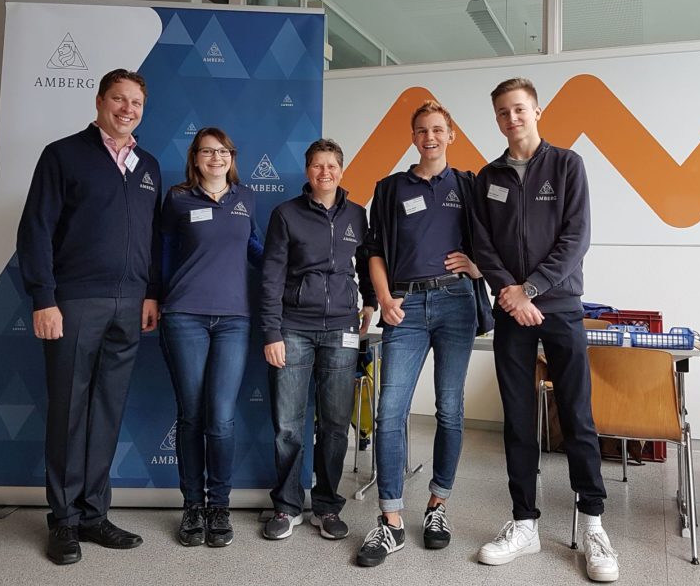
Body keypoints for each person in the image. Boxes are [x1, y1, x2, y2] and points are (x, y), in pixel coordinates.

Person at [471, 77, 618, 582]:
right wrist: (510, 294)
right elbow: (481, 243)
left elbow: (577, 237)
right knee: (517, 420)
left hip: (560, 307)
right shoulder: (487, 176)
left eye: (519, 110)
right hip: (511, 312)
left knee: (576, 415)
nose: (512, 119)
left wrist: (529, 288)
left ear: (537, 111)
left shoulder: (567, 165)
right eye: (503, 113)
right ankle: (523, 522)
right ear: (497, 119)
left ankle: (594, 524)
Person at [17, 69, 161, 566]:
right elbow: (35, 230)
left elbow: (152, 240)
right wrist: (43, 297)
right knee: (68, 412)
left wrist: (150, 294)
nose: (127, 108)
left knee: (106, 411)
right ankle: (62, 520)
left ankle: (94, 513)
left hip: (130, 304)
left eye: (136, 101)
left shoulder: (149, 166)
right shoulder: (63, 155)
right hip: (74, 302)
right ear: (100, 101)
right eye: (119, 99)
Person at [356, 101, 490, 567]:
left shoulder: (469, 186)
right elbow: (372, 252)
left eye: (437, 130)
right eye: (421, 131)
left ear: (451, 134)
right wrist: (384, 299)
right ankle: (390, 520)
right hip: (405, 307)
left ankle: (438, 506)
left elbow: (494, 239)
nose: (429, 137)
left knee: (449, 408)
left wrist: (478, 267)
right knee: (390, 410)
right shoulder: (391, 188)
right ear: (413, 138)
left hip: (456, 303)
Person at [261, 138, 376, 541]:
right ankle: (287, 506)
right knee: (289, 425)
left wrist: (371, 303)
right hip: (293, 327)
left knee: (333, 423)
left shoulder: (357, 216)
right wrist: (272, 331)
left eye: (332, 166)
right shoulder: (285, 215)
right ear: (307, 172)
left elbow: (367, 262)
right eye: (317, 166)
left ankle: (326, 506)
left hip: (342, 329)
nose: (324, 173)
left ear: (342, 170)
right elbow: (272, 275)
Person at [159, 127, 262, 547]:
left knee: (220, 418)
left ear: (231, 157)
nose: (216, 158)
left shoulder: (247, 198)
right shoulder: (178, 198)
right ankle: (192, 508)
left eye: (222, 151)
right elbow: (163, 253)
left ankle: (218, 505)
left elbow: (255, 248)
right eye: (207, 151)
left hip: (234, 319)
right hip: (184, 316)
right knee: (192, 414)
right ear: (195, 158)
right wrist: (157, 298)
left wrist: (292, 264)